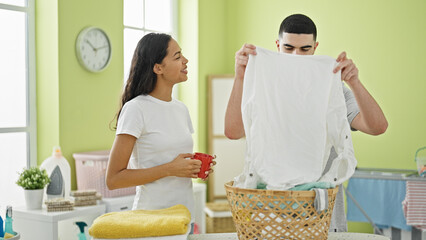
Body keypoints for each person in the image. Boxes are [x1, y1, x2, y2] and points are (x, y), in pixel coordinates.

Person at [224, 14, 388, 232]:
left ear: (315, 48)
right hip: (273, 217)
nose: (296, 55)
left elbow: (378, 127)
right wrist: (241, 77)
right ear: (277, 45)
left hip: (323, 218)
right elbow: (233, 132)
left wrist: (354, 82)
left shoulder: (332, 91)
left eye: (304, 49)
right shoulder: (264, 89)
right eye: (289, 48)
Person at [106, 33, 214, 235]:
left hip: (183, 218)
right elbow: (114, 179)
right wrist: (170, 169)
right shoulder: (136, 109)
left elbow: (174, 160)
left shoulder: (181, 109)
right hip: (151, 220)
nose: (185, 60)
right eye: (177, 56)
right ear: (158, 68)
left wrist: (194, 167)